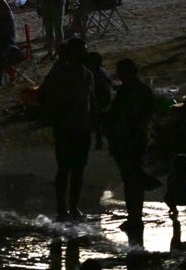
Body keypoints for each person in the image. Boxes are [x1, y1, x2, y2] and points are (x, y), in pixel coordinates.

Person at [38, 38, 95, 220]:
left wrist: (97, 129)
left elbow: (91, 103)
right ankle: (63, 208)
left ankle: (73, 207)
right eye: (81, 51)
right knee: (65, 169)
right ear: (71, 54)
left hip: (81, 127)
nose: (84, 54)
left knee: (78, 169)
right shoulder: (59, 75)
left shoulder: (87, 74)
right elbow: (47, 98)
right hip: (66, 128)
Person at [106, 58, 157, 246]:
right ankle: (135, 217)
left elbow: (121, 117)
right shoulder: (141, 90)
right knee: (133, 178)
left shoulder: (128, 91)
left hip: (127, 140)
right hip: (137, 139)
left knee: (131, 179)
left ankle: (135, 218)